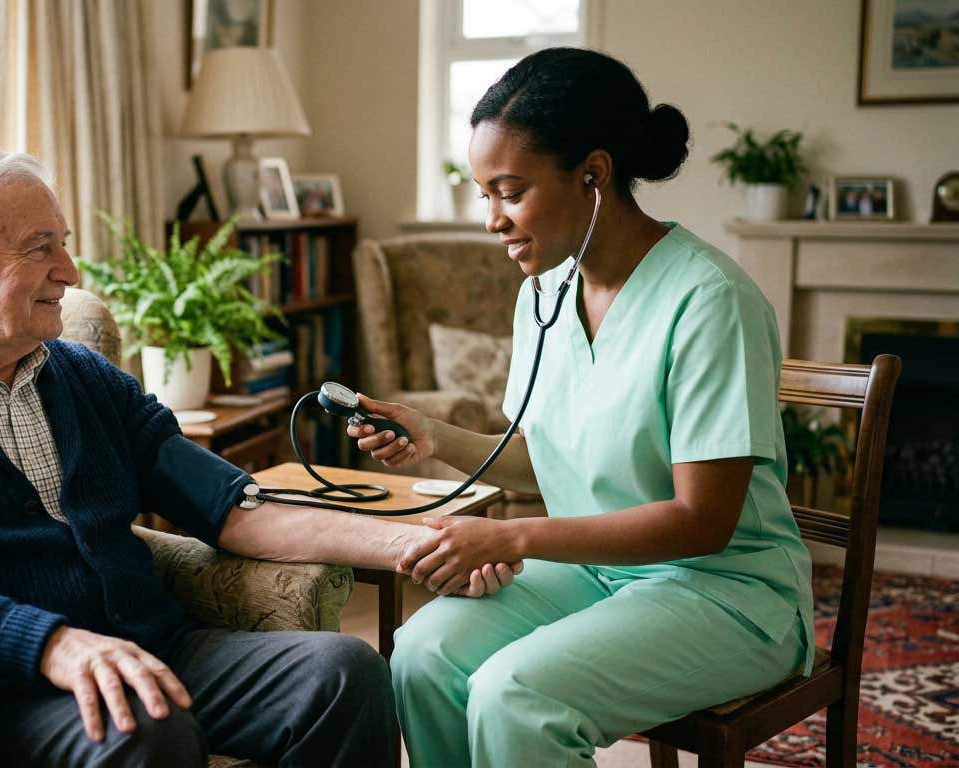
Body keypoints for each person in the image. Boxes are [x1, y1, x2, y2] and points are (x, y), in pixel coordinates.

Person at [0, 149, 510, 767]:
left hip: (156, 647)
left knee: (346, 671)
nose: (70, 271)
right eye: (40, 247)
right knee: (148, 733)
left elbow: (233, 507)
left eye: (65, 244)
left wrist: (417, 542)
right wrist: (51, 644)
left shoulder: (84, 378)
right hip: (10, 689)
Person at [348, 48, 813, 767]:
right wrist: (431, 434)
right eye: (484, 195)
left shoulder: (709, 300)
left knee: (516, 695)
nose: (493, 220)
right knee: (420, 652)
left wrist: (513, 540)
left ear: (592, 175)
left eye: (510, 191)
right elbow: (548, 462)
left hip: (729, 593)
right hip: (602, 574)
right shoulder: (542, 294)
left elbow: (704, 521)